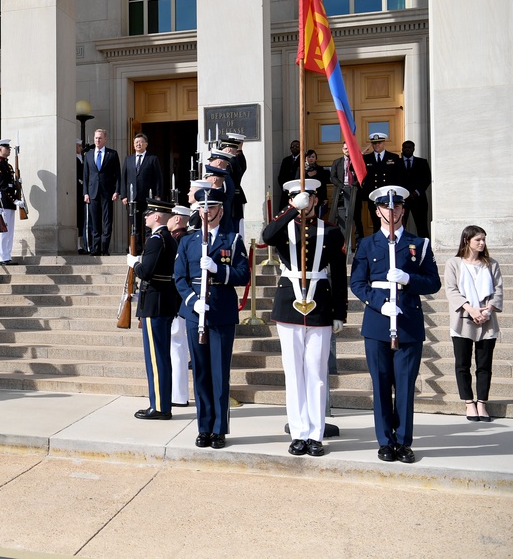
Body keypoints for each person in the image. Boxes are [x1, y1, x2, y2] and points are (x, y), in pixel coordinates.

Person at [350, 185, 440, 464]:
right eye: (387, 207)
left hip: (408, 322)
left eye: (397, 207)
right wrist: (379, 302)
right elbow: (357, 282)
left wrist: (408, 279)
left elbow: (434, 282)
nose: (392, 211)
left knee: (404, 386)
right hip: (377, 322)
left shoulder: (419, 244)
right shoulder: (366, 244)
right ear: (377, 211)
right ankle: (384, 441)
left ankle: (403, 441)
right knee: (381, 384)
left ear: (403, 209)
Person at [262, 180, 347, 457]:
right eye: (299, 198)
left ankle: (315, 434)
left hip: (320, 304)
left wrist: (339, 312)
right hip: (289, 304)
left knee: (316, 374)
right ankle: (298, 433)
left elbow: (338, 274)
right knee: (294, 373)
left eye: (308, 198)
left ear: (315, 200)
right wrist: (289, 210)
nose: (305, 202)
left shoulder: (331, 232)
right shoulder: (283, 228)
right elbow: (266, 235)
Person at [174, 188, 250, 449]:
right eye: (202, 207)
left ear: (221, 210)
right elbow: (180, 278)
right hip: (197, 313)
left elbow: (243, 275)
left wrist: (219, 269)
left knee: (219, 373)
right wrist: (192, 302)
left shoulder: (232, 239)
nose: (206, 212)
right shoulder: (188, 241)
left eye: (212, 207)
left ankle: (219, 429)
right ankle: (204, 427)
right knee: (201, 373)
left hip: (221, 311)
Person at [127, 199, 180, 420]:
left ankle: (159, 407)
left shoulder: (156, 240)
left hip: (155, 304)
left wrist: (133, 263)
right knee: (161, 357)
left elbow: (146, 272)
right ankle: (161, 403)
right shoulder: (168, 239)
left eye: (149, 214)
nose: (146, 217)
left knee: (156, 359)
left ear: (157, 216)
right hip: (163, 301)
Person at [444, 225, 503, 422]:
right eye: (478, 239)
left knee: (484, 365)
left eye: (484, 239)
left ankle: (482, 403)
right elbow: (451, 290)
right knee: (462, 364)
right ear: (467, 240)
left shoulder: (491, 264)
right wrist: (470, 309)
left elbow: (498, 290)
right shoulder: (454, 263)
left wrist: (487, 310)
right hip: (463, 320)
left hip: (487, 320)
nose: (482, 243)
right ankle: (469, 402)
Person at [166, 204, 192, 408]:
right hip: (179, 299)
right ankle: (178, 393)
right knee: (177, 346)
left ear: (177, 219)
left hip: (179, 300)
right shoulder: (180, 238)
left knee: (178, 345)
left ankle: (179, 394)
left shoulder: (181, 239)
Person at [121, 132, 163, 251]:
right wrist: (124, 195)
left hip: (148, 197)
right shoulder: (128, 159)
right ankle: (137, 247)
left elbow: (158, 178)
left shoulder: (152, 159)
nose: (138, 144)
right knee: (134, 223)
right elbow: (124, 177)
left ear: (146, 144)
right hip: (132, 198)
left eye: (140, 142)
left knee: (148, 223)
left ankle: (148, 247)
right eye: (136, 142)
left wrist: (158, 195)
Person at [82, 128, 121, 255]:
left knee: (107, 221)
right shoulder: (88, 155)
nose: (97, 140)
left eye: (100, 138)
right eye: (96, 138)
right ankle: (95, 248)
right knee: (95, 221)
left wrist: (117, 191)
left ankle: (105, 248)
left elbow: (118, 175)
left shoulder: (112, 154)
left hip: (107, 193)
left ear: (105, 139)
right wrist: (85, 193)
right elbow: (86, 176)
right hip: (93, 192)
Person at [360, 132, 402, 228]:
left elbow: (398, 177)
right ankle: (378, 242)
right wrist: (360, 155)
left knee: (389, 221)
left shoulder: (393, 157)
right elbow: (352, 169)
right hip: (373, 195)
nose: (377, 145)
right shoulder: (366, 158)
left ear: (384, 143)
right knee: (376, 222)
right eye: (374, 143)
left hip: (388, 195)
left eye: (379, 142)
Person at [0, 139, 22, 265]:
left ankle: (7, 255)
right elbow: (3, 186)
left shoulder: (8, 165)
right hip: (4, 202)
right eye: (7, 148)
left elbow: (10, 185)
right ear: (0, 149)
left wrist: (17, 185)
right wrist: (14, 198)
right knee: (3, 231)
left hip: (10, 202)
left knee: (9, 231)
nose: (9, 150)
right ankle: (1, 257)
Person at [329, 141, 364, 244]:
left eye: (349, 148)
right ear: (342, 149)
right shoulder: (337, 162)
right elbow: (332, 177)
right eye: (345, 148)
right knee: (340, 220)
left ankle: (359, 244)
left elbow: (362, 175)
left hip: (354, 193)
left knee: (356, 220)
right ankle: (341, 244)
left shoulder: (357, 161)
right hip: (340, 194)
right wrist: (342, 186)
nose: (347, 150)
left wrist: (354, 185)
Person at [399, 140, 431, 238]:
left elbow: (427, 179)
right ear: (402, 149)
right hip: (402, 200)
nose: (407, 149)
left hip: (419, 199)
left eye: (409, 147)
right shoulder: (396, 163)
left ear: (414, 149)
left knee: (422, 226)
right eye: (405, 147)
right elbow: (393, 179)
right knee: (400, 226)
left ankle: (425, 249)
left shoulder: (422, 162)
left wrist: (417, 192)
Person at [302, 149, 330, 217]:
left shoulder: (320, 169)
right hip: (304, 196)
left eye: (313, 157)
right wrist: (307, 174)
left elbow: (323, 184)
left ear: (316, 158)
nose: (311, 158)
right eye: (309, 157)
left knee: (317, 215)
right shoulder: (301, 169)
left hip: (318, 196)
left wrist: (325, 198)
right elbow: (297, 181)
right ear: (305, 158)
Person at [277, 139, 301, 205]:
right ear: (290, 148)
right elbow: (281, 176)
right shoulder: (286, 160)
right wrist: (284, 187)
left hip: (299, 190)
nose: (295, 148)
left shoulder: (304, 159)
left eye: (297, 146)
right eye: (293, 146)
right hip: (287, 191)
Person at [75, 139, 86, 253]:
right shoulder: (74, 159)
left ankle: (82, 244)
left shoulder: (83, 158)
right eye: (78, 146)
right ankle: (77, 245)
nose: (80, 148)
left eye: (80, 146)